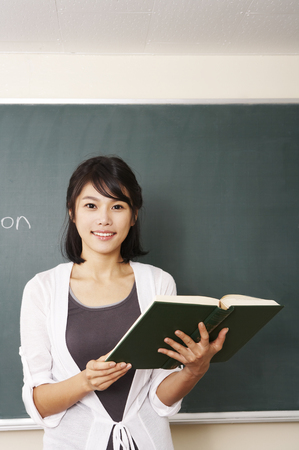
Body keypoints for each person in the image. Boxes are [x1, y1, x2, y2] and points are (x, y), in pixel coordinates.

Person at [20, 155, 228, 450]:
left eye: (117, 206)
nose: (104, 218)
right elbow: (38, 404)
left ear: (133, 215)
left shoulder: (158, 283)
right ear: (72, 212)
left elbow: (159, 399)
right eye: (91, 205)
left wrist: (194, 370)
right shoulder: (42, 289)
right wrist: (86, 381)